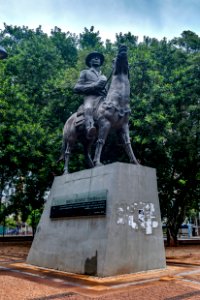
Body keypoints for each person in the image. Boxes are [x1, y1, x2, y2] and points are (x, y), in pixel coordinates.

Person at [74, 51, 107, 138]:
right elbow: (76, 88)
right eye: (94, 57)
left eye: (98, 58)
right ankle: (89, 128)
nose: (97, 58)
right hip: (90, 98)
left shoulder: (103, 77)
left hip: (103, 98)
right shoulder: (85, 72)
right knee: (88, 108)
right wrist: (94, 85)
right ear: (89, 62)